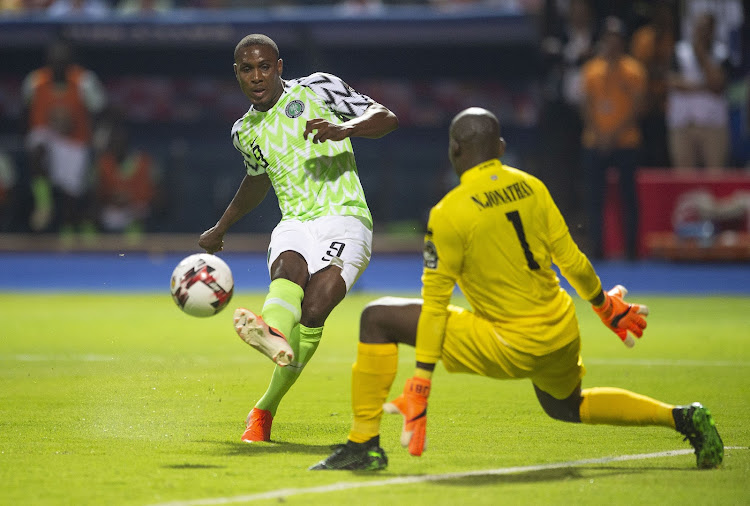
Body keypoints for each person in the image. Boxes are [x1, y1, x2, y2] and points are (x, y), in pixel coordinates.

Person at [310, 107, 723, 471]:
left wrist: (421, 380)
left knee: (376, 317)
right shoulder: (532, 187)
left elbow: (436, 307)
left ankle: (363, 444)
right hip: (560, 332)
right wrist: (605, 307)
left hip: (506, 343)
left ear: (454, 151)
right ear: (501, 147)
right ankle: (682, 417)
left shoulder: (448, 212)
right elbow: (572, 260)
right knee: (566, 405)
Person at [198, 34, 398, 443]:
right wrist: (222, 227)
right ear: (236, 74)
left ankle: (264, 406)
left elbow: (386, 118)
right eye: (248, 69)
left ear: (280, 67)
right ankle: (270, 333)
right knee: (288, 266)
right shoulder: (244, 131)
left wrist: (345, 129)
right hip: (296, 222)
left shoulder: (318, 88)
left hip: (346, 218)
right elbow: (256, 181)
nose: (257, 76)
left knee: (316, 307)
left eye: (265, 66)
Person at [22, 39, 107, 237]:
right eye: (54, 61)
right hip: (47, 136)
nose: (58, 65)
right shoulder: (35, 81)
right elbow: (24, 113)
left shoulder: (84, 81)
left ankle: (68, 231)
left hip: (75, 141)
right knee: (37, 147)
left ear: (70, 62)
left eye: (63, 61)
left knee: (73, 194)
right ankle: (43, 203)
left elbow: (101, 111)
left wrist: (98, 139)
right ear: (48, 62)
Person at [580, 16, 646, 260]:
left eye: (616, 38)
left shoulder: (633, 70)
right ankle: (597, 250)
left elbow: (637, 108)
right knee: (594, 197)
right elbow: (586, 107)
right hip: (595, 141)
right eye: (608, 37)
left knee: (628, 196)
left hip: (626, 141)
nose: (612, 42)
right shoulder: (591, 69)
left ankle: (631, 251)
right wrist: (599, 134)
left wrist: (613, 135)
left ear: (623, 41)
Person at [666, 11, 730, 170]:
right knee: (684, 175)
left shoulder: (722, 53)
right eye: (699, 27)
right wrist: (704, 86)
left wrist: (701, 53)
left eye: (706, 28)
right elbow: (673, 83)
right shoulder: (679, 51)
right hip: (683, 123)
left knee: (715, 173)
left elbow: (717, 85)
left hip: (713, 124)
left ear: (713, 30)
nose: (702, 32)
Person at [630, 0, 675, 168]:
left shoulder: (674, 37)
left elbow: (672, 70)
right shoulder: (643, 37)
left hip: (667, 103)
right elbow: (639, 70)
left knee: (664, 153)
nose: (663, 17)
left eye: (666, 14)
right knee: (646, 150)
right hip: (646, 103)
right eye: (660, 13)